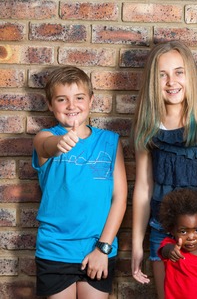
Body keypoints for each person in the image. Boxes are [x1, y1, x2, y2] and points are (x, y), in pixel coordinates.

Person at [131, 40, 197, 299]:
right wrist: (137, 242)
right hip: (165, 231)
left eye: (178, 72)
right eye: (162, 75)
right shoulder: (148, 125)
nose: (171, 82)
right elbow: (143, 187)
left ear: (190, 75)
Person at [32, 66, 127, 298]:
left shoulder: (110, 141)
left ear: (91, 100)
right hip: (55, 251)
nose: (72, 106)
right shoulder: (44, 137)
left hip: (97, 251)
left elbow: (120, 198)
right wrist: (60, 143)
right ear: (50, 104)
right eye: (62, 99)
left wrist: (103, 248)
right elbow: (47, 145)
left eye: (79, 98)